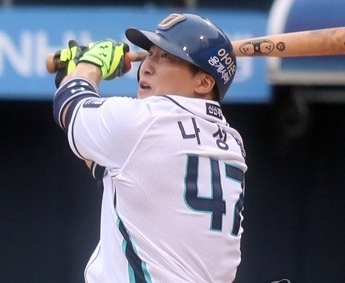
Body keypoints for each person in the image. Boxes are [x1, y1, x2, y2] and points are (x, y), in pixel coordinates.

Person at [52, 13, 247, 283]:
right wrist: (75, 75)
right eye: (150, 54)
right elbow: (118, 174)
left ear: (204, 83)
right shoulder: (232, 142)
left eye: (167, 57)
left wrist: (88, 65)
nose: (147, 67)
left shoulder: (149, 120)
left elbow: (70, 106)